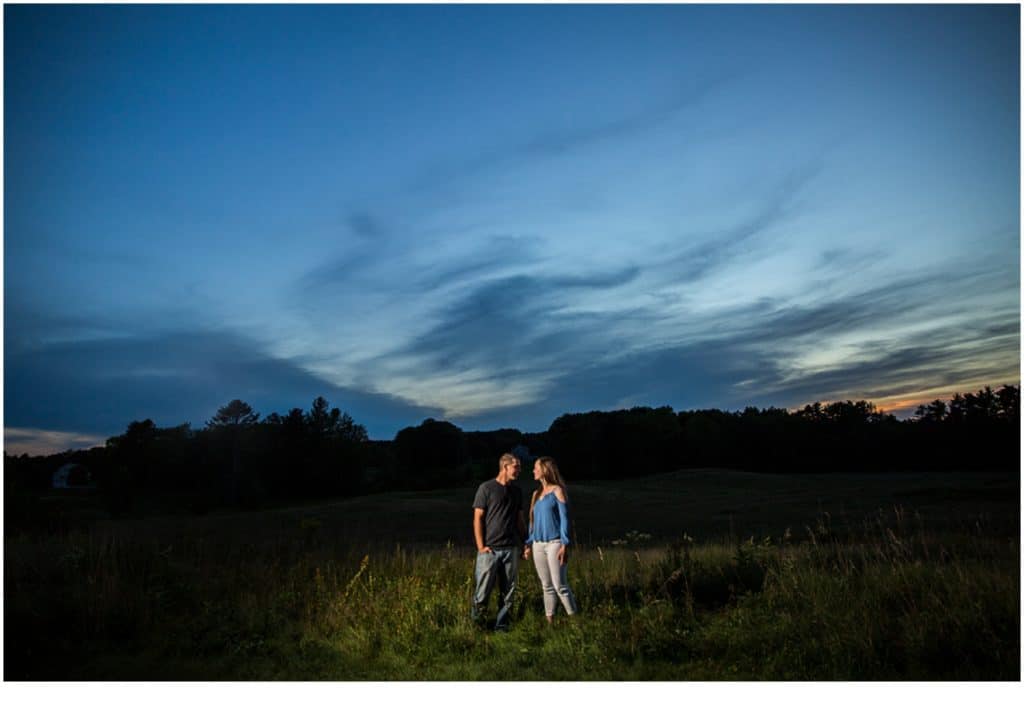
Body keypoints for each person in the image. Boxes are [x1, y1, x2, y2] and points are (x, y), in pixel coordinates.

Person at [471, 453, 527, 631]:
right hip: (490, 550)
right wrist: (481, 546)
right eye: (516, 466)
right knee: (482, 591)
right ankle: (478, 625)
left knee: (508, 592)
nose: (519, 470)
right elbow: (478, 518)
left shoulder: (516, 491)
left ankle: (502, 626)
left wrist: (526, 542)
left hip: (510, 549)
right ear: (505, 467)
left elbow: (520, 520)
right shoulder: (486, 488)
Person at [524, 456, 578, 623]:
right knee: (546, 585)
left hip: (555, 543)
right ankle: (550, 623)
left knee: (560, 585)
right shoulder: (536, 494)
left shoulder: (557, 491)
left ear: (545, 470)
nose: (533, 471)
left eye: (536, 467)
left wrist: (565, 543)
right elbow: (532, 522)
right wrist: (528, 543)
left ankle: (575, 621)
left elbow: (565, 519)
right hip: (538, 545)